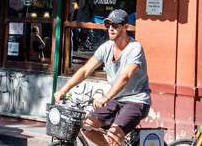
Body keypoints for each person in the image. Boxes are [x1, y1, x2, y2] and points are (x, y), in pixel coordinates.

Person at [54, 10, 150, 146]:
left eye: (115, 25)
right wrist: (63, 90)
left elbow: (125, 76)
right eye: (108, 25)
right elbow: (85, 70)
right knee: (87, 126)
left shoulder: (135, 48)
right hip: (116, 100)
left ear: (125, 27)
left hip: (136, 100)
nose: (111, 28)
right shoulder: (106, 48)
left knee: (114, 134)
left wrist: (106, 98)